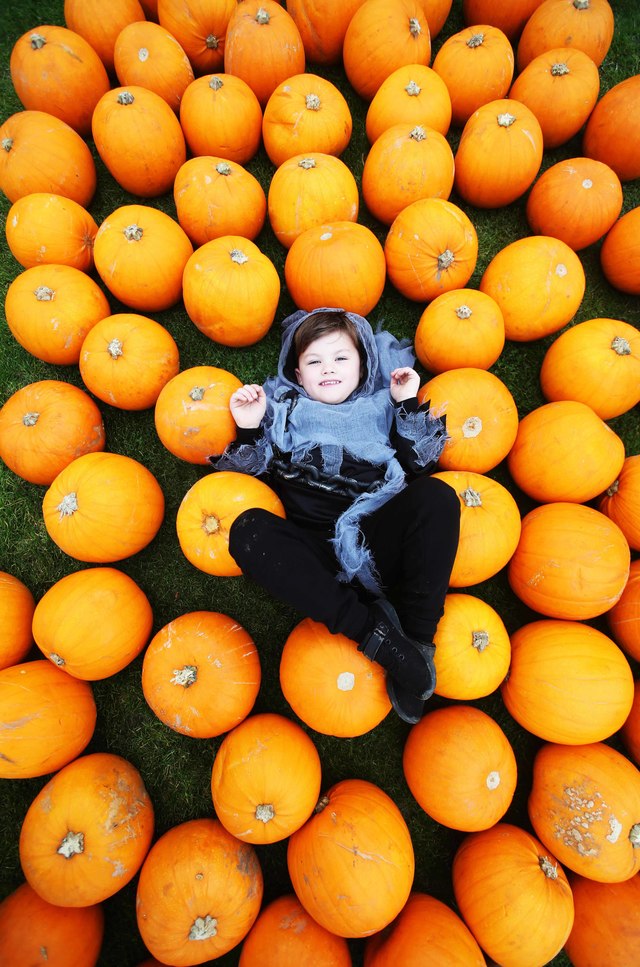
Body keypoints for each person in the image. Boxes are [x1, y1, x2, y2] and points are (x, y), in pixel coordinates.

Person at [209, 307, 460, 724]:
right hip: (317, 551)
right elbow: (249, 481)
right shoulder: (285, 414)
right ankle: (373, 634)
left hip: (376, 536)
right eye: (314, 361)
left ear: (363, 367)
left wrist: (406, 402)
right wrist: (250, 426)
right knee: (250, 530)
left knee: (438, 497)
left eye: (341, 358)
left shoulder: (380, 408)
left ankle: (415, 642)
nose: (328, 368)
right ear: (298, 374)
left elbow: (417, 466)